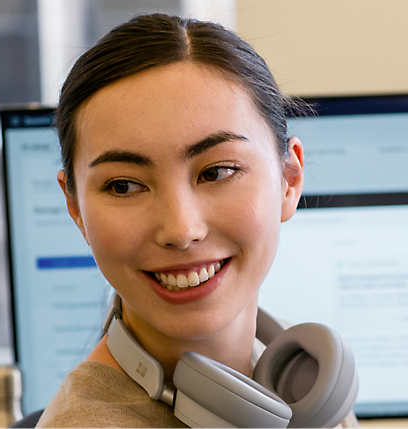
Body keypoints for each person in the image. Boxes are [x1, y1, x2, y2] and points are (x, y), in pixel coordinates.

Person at [36, 13, 359, 429]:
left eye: (217, 172)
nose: (181, 230)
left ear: (290, 179)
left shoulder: (301, 390)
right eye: (123, 186)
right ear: (75, 206)